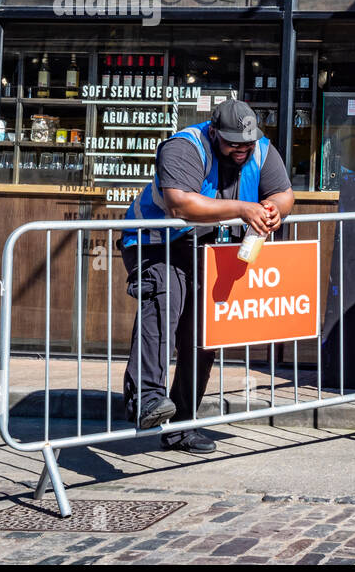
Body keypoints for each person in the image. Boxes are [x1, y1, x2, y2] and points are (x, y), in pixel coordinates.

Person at [121, 99, 294, 453]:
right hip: (156, 242)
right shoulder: (184, 147)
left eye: (248, 142)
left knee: (203, 334)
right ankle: (146, 398)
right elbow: (179, 204)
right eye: (234, 143)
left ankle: (182, 425)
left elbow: (284, 193)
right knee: (164, 299)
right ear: (214, 132)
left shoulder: (260, 148)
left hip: (205, 248)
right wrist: (243, 209)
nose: (243, 150)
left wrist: (276, 209)